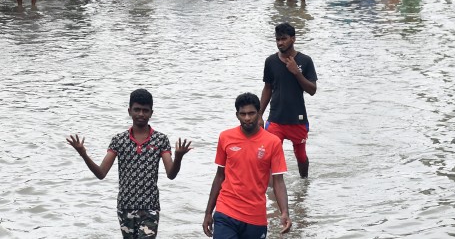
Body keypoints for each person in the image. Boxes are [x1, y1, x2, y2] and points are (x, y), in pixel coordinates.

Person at [66, 89, 191, 239]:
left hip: (149, 207)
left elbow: (171, 174)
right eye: (137, 109)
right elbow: (101, 173)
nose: (141, 114)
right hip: (125, 206)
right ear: (129, 111)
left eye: (145, 110)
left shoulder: (160, 140)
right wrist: (83, 154)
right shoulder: (119, 140)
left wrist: (178, 157)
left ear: (151, 113)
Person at [203, 92, 290, 238]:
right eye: (243, 114)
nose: (247, 118)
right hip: (226, 211)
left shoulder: (273, 142)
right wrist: (208, 213)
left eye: (251, 113)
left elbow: (278, 182)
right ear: (237, 115)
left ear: (259, 113)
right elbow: (219, 176)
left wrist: (285, 212)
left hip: (255, 216)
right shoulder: (225, 137)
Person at [259, 23, 317, 180]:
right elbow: (267, 88)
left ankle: (304, 186)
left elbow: (312, 90)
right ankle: (273, 192)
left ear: (293, 39)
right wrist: (259, 114)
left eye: (283, 39)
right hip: (275, 119)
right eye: (277, 39)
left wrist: (297, 73)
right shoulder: (270, 61)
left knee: (301, 156)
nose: (280, 43)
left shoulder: (305, 61)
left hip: (297, 119)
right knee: (270, 155)